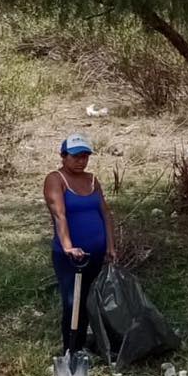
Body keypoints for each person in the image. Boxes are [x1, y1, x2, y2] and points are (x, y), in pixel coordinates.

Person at [43, 133, 116, 355]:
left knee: (91, 299)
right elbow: (60, 215)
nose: (81, 161)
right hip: (72, 257)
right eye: (75, 156)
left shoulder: (92, 179)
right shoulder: (56, 179)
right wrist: (68, 246)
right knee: (72, 301)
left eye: (85, 156)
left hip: (96, 252)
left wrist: (110, 246)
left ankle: (90, 343)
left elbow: (105, 214)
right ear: (63, 156)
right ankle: (71, 349)